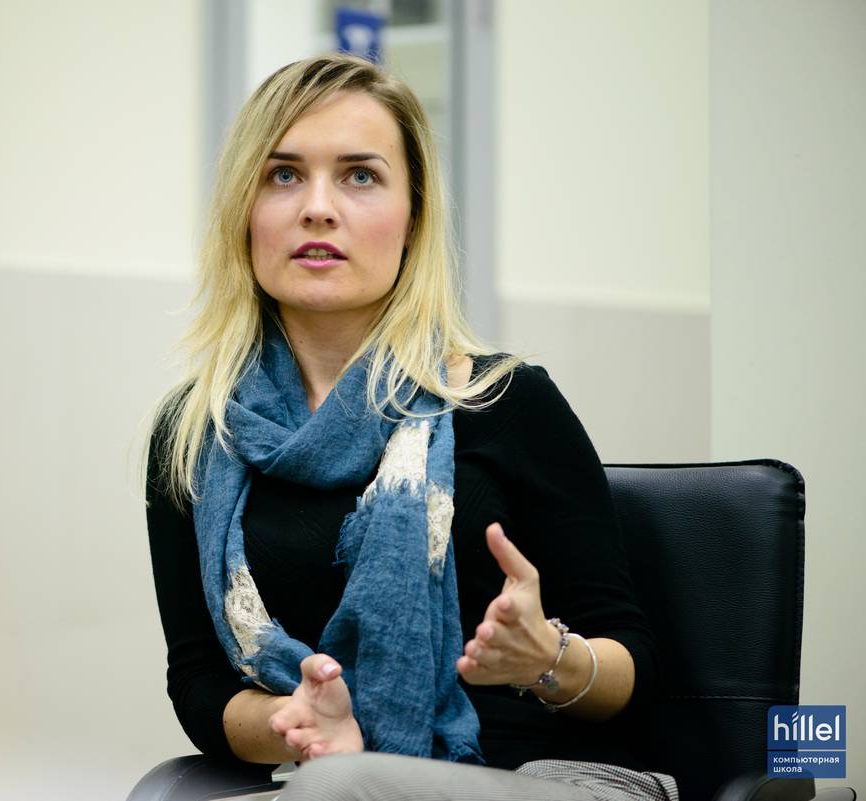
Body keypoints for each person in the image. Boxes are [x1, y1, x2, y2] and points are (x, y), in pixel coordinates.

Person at [144, 54, 676, 801]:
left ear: (413, 217)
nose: (318, 208)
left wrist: (547, 658)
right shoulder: (195, 435)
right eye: (283, 175)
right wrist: (297, 723)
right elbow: (201, 682)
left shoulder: (506, 401)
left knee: (340, 788)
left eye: (360, 176)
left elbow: (633, 668)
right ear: (244, 210)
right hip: (326, 781)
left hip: (543, 776)